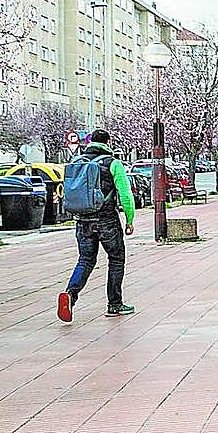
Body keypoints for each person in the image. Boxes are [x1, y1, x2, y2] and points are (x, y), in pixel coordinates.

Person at [58, 129, 136, 323]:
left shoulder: (78, 162)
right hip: (107, 220)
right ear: (108, 142)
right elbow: (125, 195)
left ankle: (70, 294)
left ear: (90, 142)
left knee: (85, 260)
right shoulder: (113, 163)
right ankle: (115, 303)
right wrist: (130, 220)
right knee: (116, 259)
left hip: (82, 220)